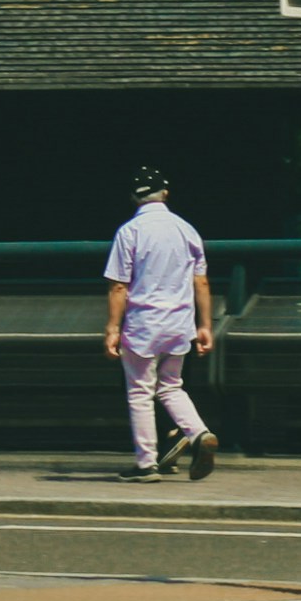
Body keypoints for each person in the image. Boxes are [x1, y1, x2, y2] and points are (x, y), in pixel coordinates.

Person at [101, 164, 218, 480]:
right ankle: (198, 434)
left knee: (140, 392)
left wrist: (112, 329)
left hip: (143, 324)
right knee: (171, 387)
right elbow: (201, 282)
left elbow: (118, 286)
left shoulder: (129, 232)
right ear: (166, 194)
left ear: (134, 198)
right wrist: (205, 325)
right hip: (180, 323)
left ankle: (146, 463)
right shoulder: (187, 230)